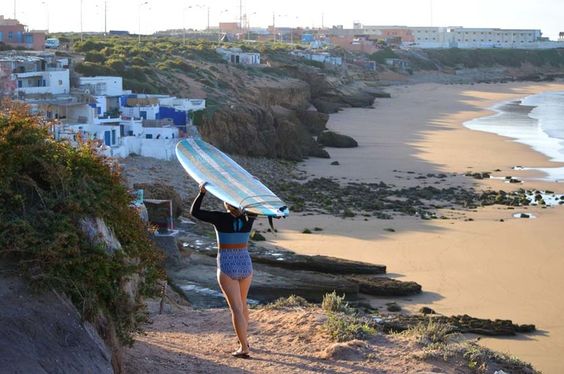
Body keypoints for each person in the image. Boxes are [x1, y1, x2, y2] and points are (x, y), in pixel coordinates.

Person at [190, 182, 255, 358]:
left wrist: (202, 192)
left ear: (226, 203)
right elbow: (257, 204)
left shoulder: (219, 218)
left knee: (235, 308)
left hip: (227, 263)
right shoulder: (250, 217)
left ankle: (244, 348)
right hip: (245, 262)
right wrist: (252, 187)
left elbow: (195, 212)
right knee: (242, 304)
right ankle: (244, 340)